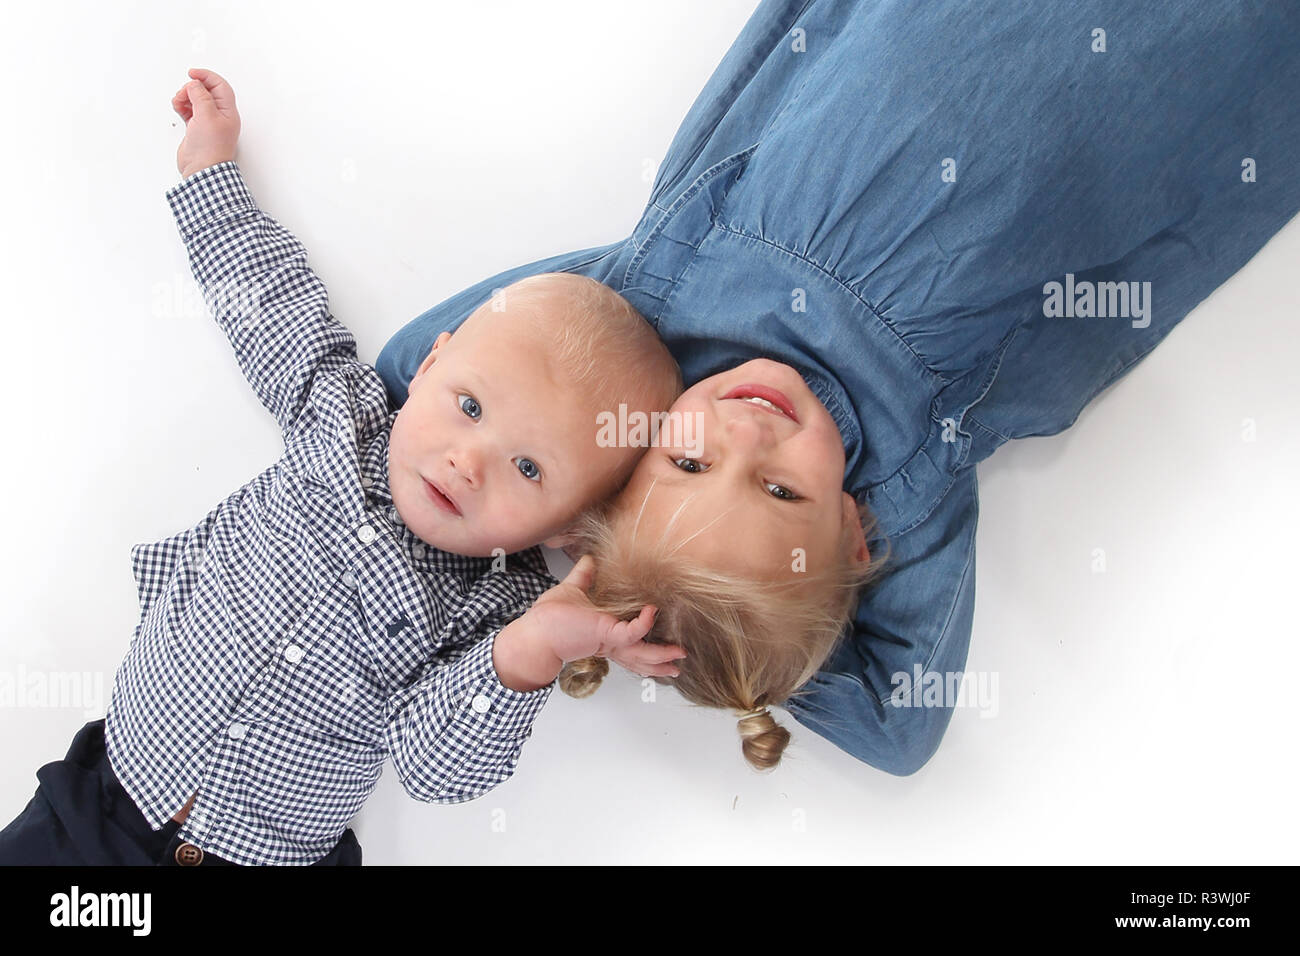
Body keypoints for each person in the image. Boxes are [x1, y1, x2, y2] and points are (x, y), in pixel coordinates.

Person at [376, 0, 1300, 774]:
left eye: (687, 459)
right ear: (854, 533)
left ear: (636, 443)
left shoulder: (651, 310)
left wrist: (590, 543)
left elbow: (412, 370)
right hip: (1166, 69)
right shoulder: (909, 465)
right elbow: (901, 729)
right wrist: (724, 627)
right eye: (782, 491)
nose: (745, 437)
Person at [0, 69, 681, 866]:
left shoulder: (501, 605)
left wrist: (530, 652)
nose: (468, 461)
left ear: (567, 525)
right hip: (98, 806)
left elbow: (435, 765)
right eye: (468, 407)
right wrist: (210, 171)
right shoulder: (341, 413)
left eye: (528, 467)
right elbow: (271, 307)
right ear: (430, 368)